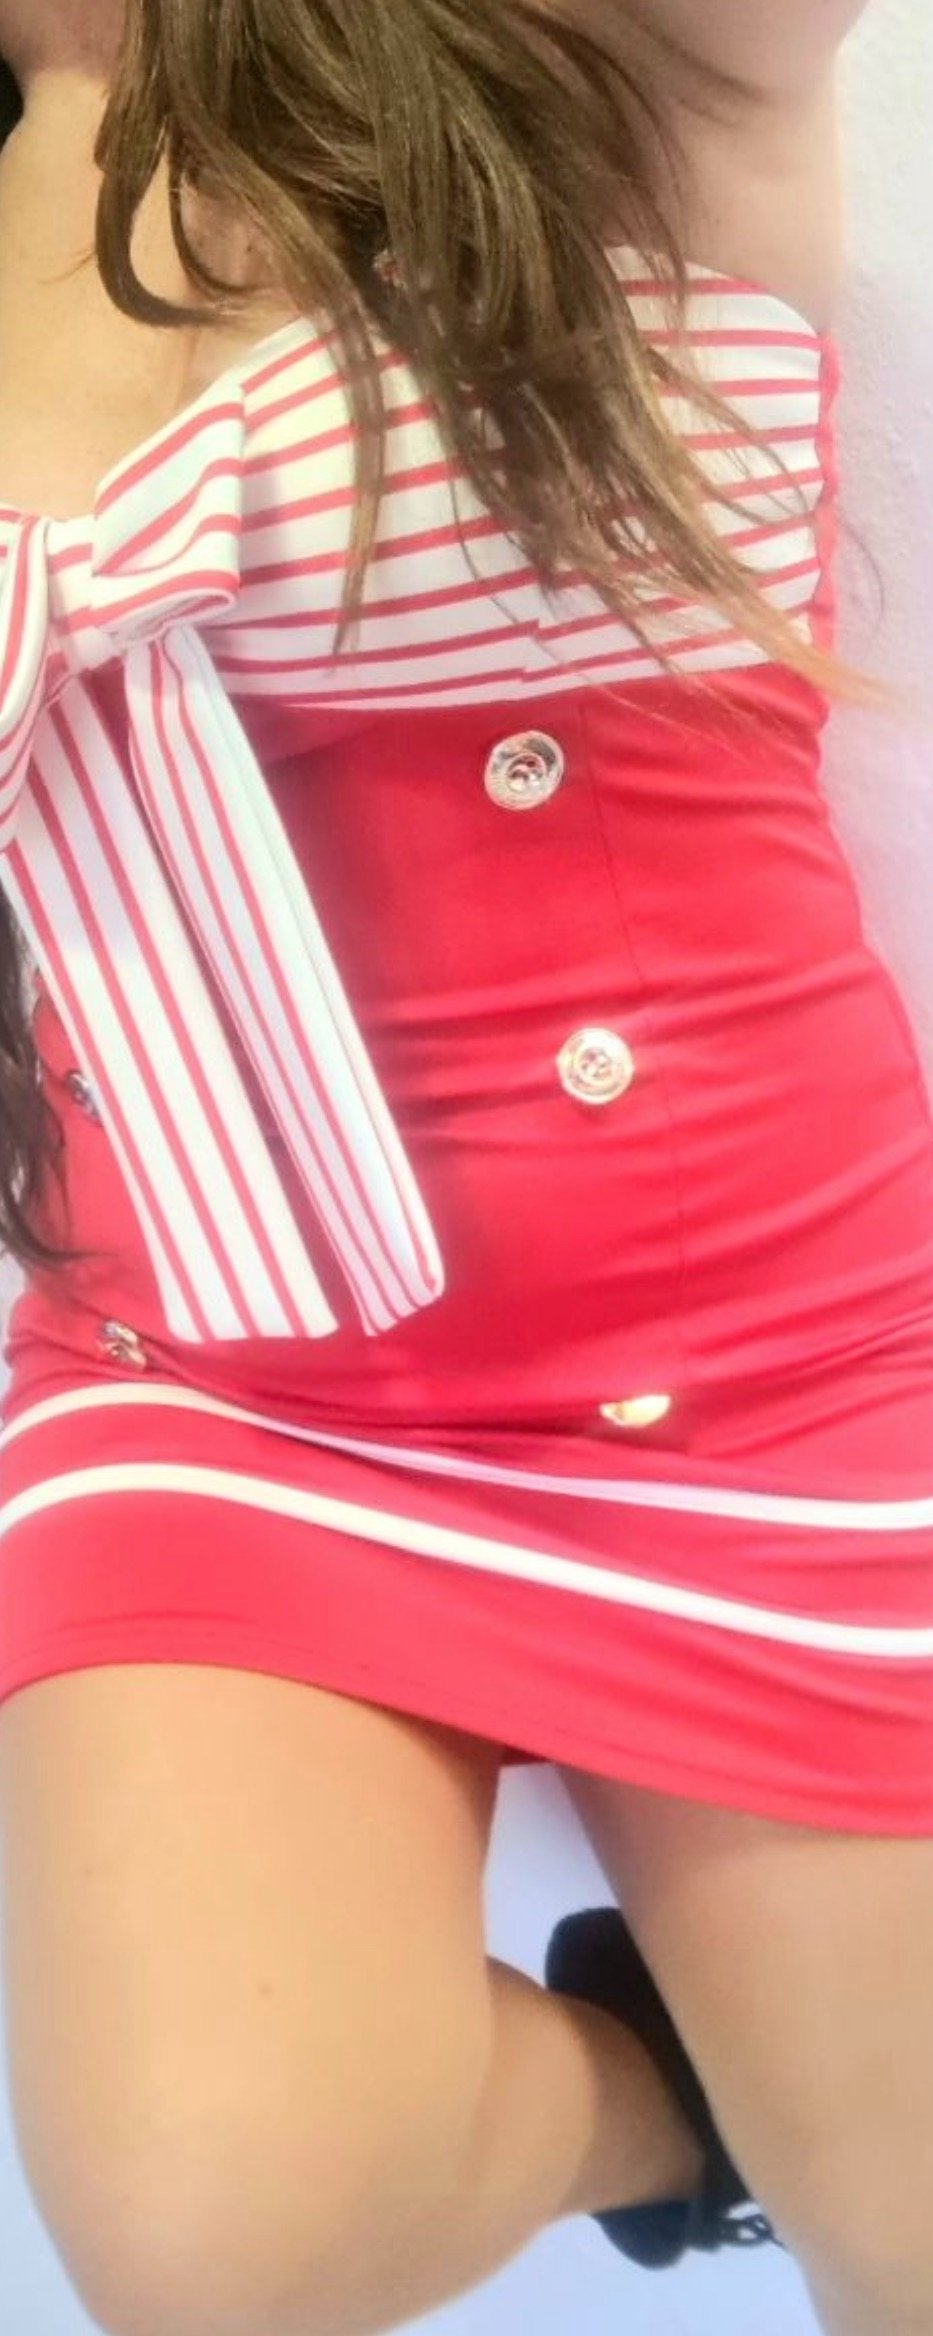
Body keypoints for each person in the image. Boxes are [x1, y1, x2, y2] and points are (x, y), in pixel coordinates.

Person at [0, 3, 929, 2333]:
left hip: (778, 1355)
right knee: (222, 2233)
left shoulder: (615, 45)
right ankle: (673, 2099)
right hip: (229, 1372)